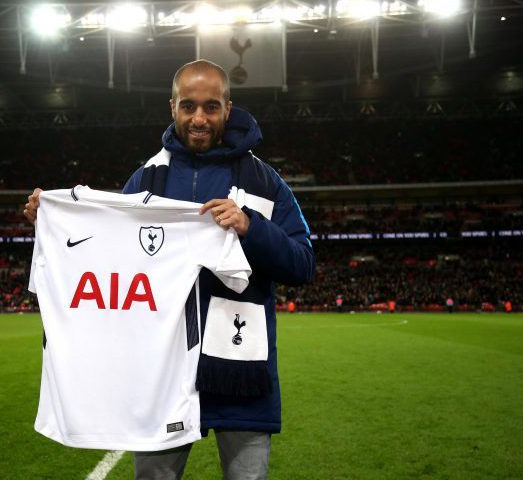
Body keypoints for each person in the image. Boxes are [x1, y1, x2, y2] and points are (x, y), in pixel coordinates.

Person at [24, 59, 315, 480]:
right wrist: (53, 221)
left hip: (241, 371)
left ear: (228, 109)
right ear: (172, 107)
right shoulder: (146, 180)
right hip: (160, 372)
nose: (199, 118)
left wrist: (251, 227)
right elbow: (108, 255)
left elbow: (303, 263)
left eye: (211, 107)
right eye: (189, 106)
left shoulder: (265, 184)